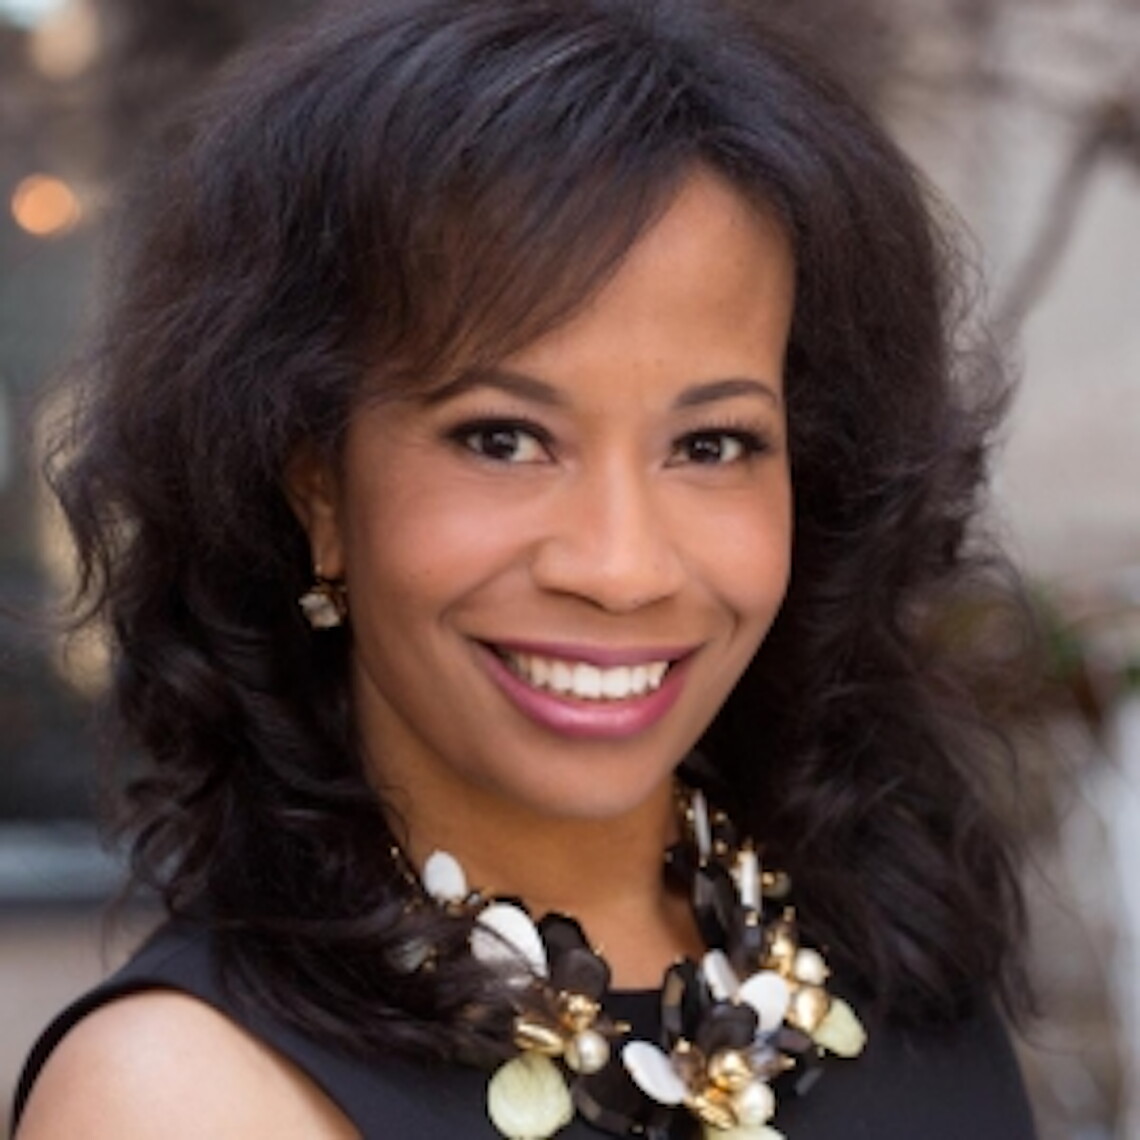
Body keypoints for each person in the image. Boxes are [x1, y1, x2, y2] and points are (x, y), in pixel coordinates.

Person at [13, 1, 1039, 1137]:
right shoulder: (185, 1096)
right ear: (317, 490)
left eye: (713, 445)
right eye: (502, 438)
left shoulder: (899, 969)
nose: (619, 567)